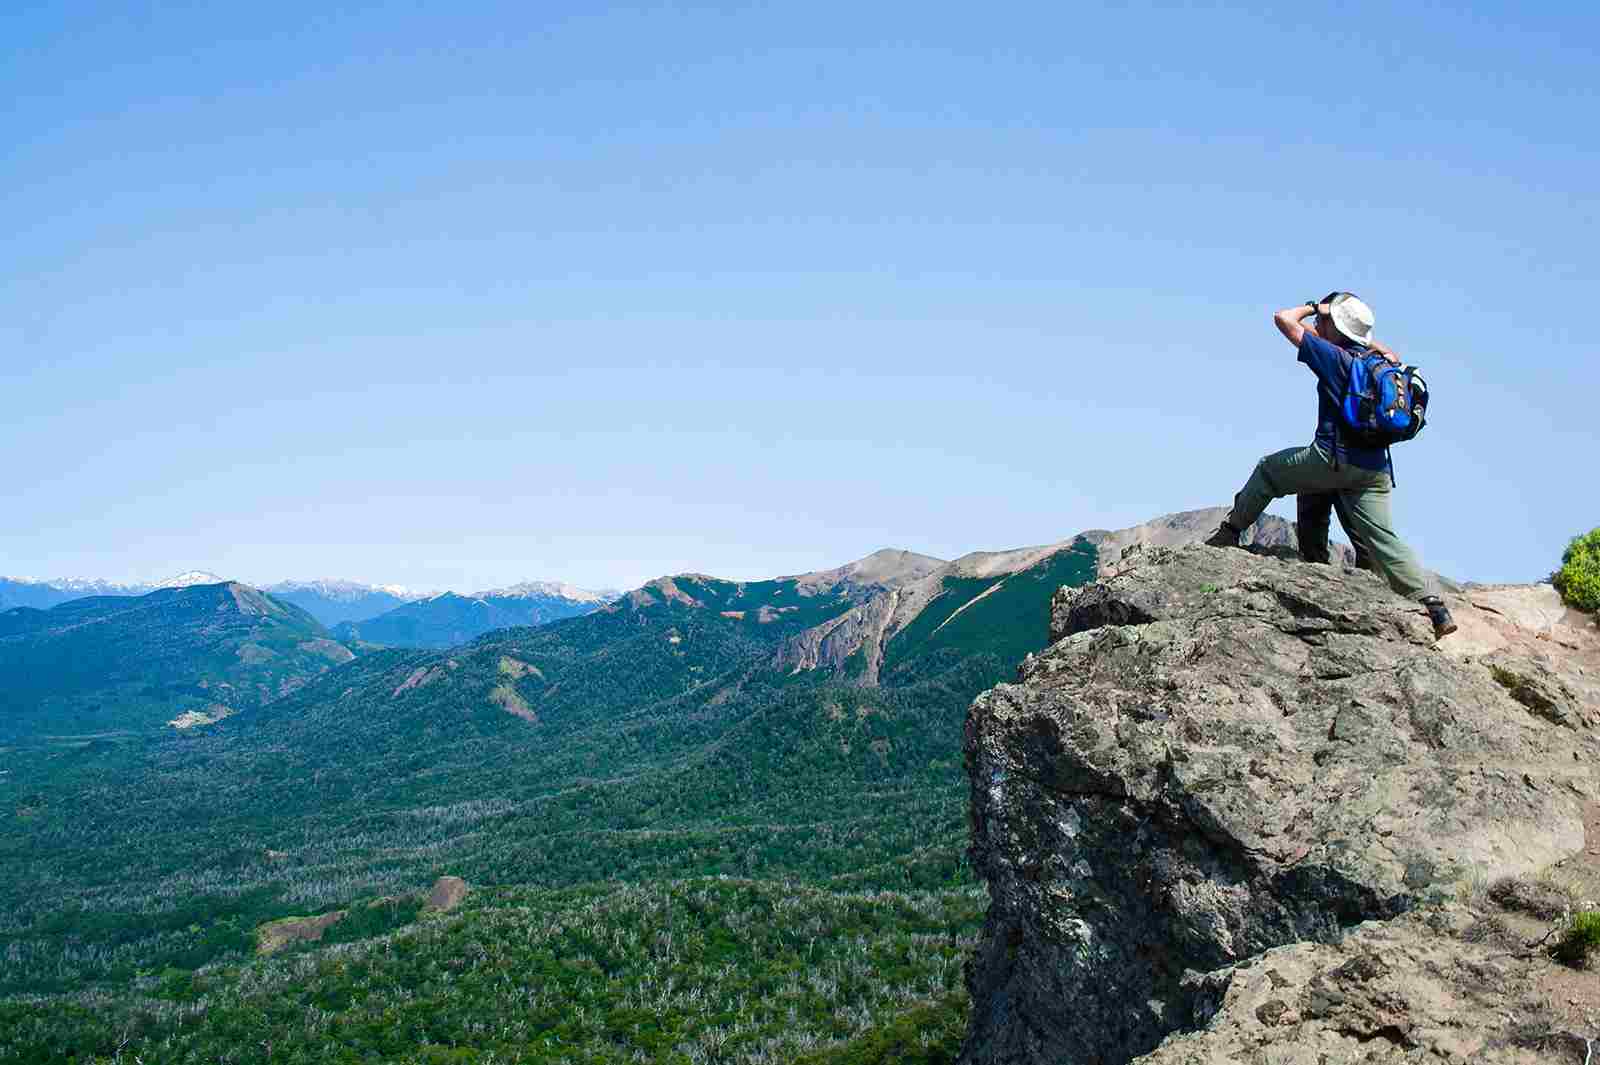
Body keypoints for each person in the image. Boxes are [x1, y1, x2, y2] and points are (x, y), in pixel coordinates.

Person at [1205, 293, 1457, 638]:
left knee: (1269, 470)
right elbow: (1365, 343)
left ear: (1335, 327)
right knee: (1383, 537)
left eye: (1325, 321)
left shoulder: (1335, 358)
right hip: (1376, 471)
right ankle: (1434, 605)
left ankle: (1229, 533)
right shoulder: (1383, 361)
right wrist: (1340, 322)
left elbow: (1283, 319)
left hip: (1333, 458)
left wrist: (1314, 307)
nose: (1318, 325)